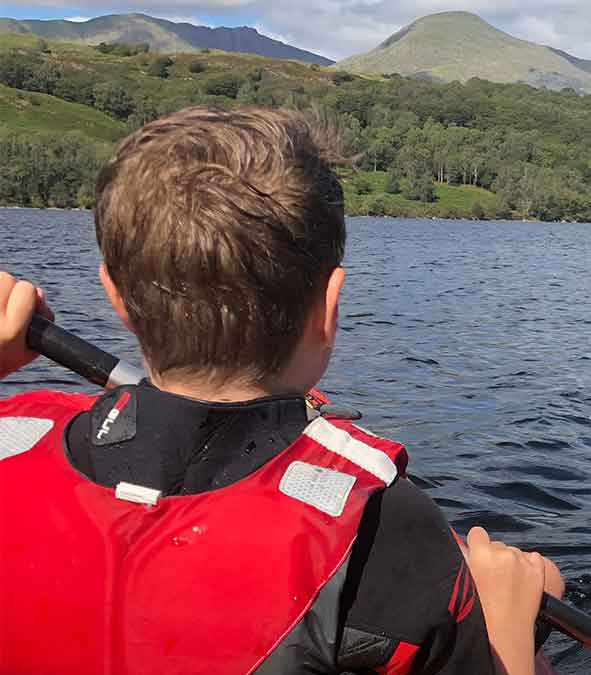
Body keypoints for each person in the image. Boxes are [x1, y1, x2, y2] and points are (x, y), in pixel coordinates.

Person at [0, 106, 562, 675]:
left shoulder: (10, 442)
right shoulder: (388, 524)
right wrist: (508, 634)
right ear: (329, 307)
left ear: (114, 296)